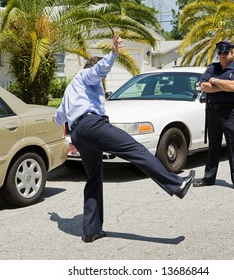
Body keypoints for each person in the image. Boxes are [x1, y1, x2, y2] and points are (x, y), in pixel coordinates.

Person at [53, 34, 195, 243]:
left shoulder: (70, 89)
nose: (103, 80)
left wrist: (55, 218)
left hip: (78, 133)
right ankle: (176, 184)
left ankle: (91, 230)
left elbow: (59, 118)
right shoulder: (86, 76)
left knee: (93, 178)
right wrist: (113, 54)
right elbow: (97, 71)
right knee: (136, 150)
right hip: (93, 125)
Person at [194, 41, 234, 192]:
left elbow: (233, 86)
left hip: (230, 113)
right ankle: (209, 178)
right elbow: (203, 86)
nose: (222, 55)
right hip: (213, 113)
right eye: (220, 53)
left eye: (225, 53)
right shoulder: (212, 67)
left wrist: (214, 81)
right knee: (213, 147)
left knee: (233, 147)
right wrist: (223, 85)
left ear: (231, 54)